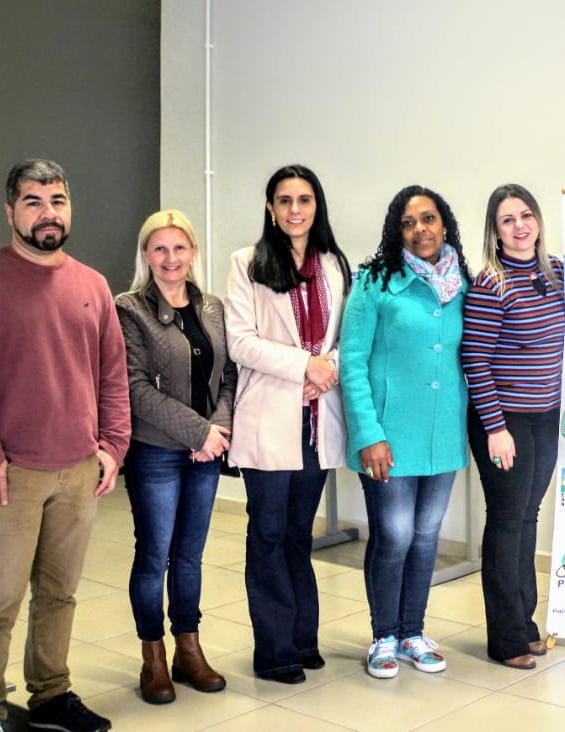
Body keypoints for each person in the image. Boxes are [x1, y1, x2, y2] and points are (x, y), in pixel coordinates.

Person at [0, 159, 130, 732]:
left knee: (59, 594)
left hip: (78, 470)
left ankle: (51, 694)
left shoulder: (93, 285)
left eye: (57, 200)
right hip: (8, 474)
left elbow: (112, 373)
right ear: (10, 212)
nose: (47, 213)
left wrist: (113, 446)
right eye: (33, 202)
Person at [224, 164, 351, 684]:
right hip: (269, 415)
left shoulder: (335, 264)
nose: (295, 209)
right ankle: (275, 651)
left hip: (318, 419)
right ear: (270, 208)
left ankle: (303, 639)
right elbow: (240, 341)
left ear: (316, 206)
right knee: (268, 532)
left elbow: (346, 337)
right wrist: (305, 366)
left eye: (304, 200)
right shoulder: (247, 262)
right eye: (284, 200)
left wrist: (328, 368)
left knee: (299, 533)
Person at [341, 185, 472, 679]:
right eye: (408, 222)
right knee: (393, 536)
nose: (420, 229)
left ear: (445, 224)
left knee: (425, 536)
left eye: (429, 219)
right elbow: (352, 362)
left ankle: (413, 633)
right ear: (396, 231)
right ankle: (384, 636)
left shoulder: (463, 283)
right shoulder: (375, 281)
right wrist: (368, 434)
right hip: (388, 438)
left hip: (442, 436)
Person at [115, 210, 235, 704]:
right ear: (146, 254)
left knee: (189, 556)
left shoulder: (213, 307)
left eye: (179, 248)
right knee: (154, 555)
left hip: (206, 452)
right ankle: (153, 656)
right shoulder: (129, 310)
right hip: (156, 453)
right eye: (160, 248)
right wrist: (199, 431)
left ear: (193, 252)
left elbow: (229, 375)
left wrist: (217, 429)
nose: (170, 258)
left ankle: (189, 648)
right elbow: (134, 387)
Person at [462, 184, 565, 670]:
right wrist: (495, 428)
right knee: (507, 520)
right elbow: (475, 360)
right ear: (495, 231)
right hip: (503, 420)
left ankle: (525, 625)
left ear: (538, 220)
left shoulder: (556, 273)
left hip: (547, 416)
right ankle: (505, 639)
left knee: (528, 517)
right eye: (508, 219)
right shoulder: (491, 283)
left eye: (526, 215)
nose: (520, 226)